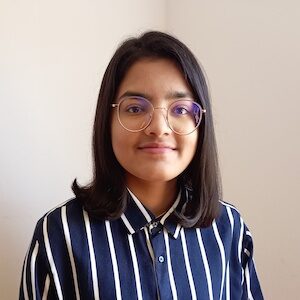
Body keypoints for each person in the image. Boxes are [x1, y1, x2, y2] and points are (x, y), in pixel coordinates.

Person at [19, 31, 263, 300]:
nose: (158, 128)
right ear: (107, 120)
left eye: (180, 109)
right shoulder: (60, 233)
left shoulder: (229, 228)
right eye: (135, 108)